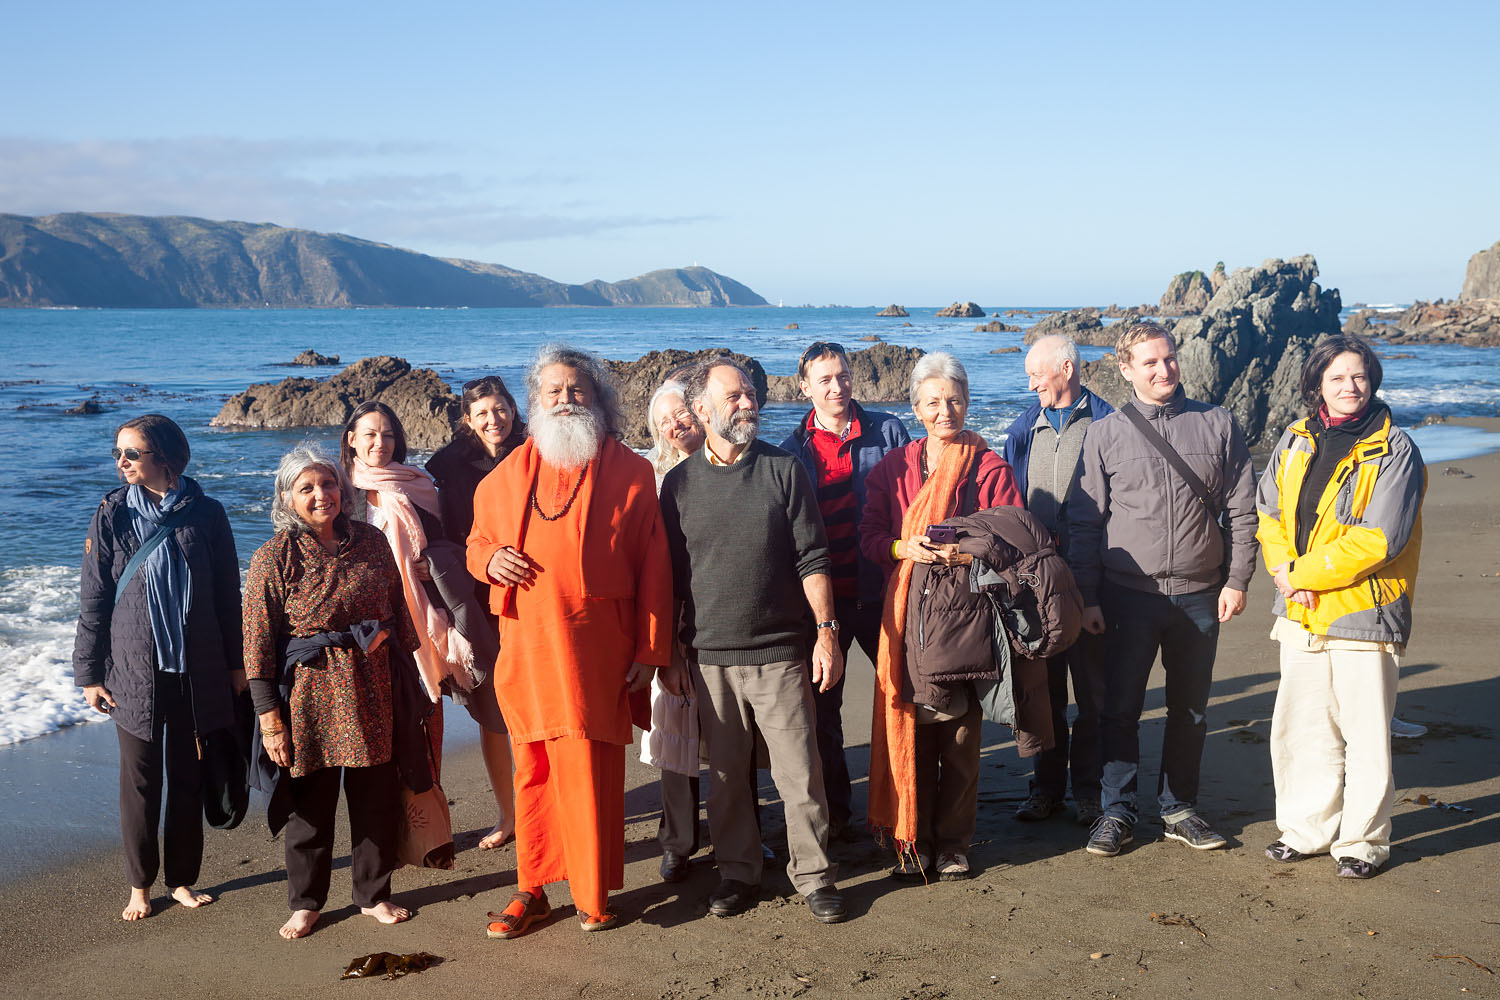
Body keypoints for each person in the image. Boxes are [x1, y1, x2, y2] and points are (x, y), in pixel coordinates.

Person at [467, 344, 673, 936]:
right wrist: (490, 561)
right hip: (528, 646)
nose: (566, 399)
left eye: (577, 389)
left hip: (597, 649)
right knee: (531, 767)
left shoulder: (634, 472)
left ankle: (591, 892)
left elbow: (655, 568)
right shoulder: (504, 476)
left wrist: (650, 651)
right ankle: (531, 888)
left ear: (598, 399)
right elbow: (476, 543)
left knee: (588, 768)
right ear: (536, 403)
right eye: (553, 391)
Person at [659, 358, 850, 924]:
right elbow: (671, 578)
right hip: (708, 659)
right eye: (734, 396)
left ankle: (814, 876)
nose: (748, 403)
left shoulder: (783, 469)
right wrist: (670, 652)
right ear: (700, 409)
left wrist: (827, 633)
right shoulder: (678, 485)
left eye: (750, 394)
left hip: (780, 653)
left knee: (800, 775)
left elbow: (813, 556)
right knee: (725, 782)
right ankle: (738, 873)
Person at [1067, 321, 1258, 857]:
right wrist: (1089, 597)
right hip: (1127, 595)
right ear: (1126, 369)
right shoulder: (1105, 434)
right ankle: (1117, 811)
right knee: (1119, 710)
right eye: (1149, 362)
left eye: (1169, 358)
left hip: (1202, 593)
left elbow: (1244, 510)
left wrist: (1238, 579)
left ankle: (1179, 808)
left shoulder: (1217, 422)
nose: (1163, 369)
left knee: (1190, 710)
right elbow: (1084, 522)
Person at [1256, 335, 1425, 879]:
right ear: (1317, 386)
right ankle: (1307, 831)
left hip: (1364, 613)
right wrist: (1285, 572)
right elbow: (1268, 513)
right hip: (1300, 610)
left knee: (1367, 734)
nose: (1350, 386)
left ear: (1372, 381)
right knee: (1304, 727)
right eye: (1337, 377)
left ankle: (1362, 843)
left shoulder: (1395, 449)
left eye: (1359, 376)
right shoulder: (1295, 438)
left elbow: (1380, 539)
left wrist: (1301, 575)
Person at [74, 414, 246, 921]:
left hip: (196, 671)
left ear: (166, 457)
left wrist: (236, 665)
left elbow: (227, 596)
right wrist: (88, 675)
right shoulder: (112, 514)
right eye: (118, 453)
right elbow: (94, 597)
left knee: (188, 778)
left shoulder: (207, 513)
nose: (122, 462)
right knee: (140, 785)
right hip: (132, 673)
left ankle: (182, 880)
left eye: (132, 453)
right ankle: (139, 886)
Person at [243, 447, 420, 939]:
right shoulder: (274, 556)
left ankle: (373, 894)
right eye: (307, 488)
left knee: (376, 798)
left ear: (342, 488)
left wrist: (400, 653)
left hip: (372, 686)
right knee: (309, 807)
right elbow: (257, 644)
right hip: (308, 698)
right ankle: (306, 903)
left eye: (329, 484)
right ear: (287, 498)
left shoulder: (371, 541)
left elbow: (398, 610)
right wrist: (269, 721)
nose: (322, 495)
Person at [861, 352, 1023, 880]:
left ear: (968, 402)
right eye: (932, 402)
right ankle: (914, 841)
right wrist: (901, 549)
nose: (944, 411)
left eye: (954, 400)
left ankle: (953, 844)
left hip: (967, 618)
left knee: (958, 737)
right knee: (912, 727)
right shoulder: (894, 468)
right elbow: (870, 538)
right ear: (915, 409)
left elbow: (1012, 540)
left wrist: (963, 554)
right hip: (907, 620)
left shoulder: (990, 467)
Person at [780, 341, 911, 840]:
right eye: (825, 380)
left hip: (882, 595)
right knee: (822, 714)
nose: (838, 387)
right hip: (824, 606)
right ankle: (838, 816)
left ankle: (900, 812)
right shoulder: (791, 451)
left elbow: (912, 503)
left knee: (900, 702)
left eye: (844, 375)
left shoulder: (888, 431)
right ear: (805, 388)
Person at [1001, 334, 1114, 826]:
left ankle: (1088, 792)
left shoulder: (1109, 423)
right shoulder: (1024, 429)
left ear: (1066, 368)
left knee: (1093, 695)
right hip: (1037, 587)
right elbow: (1008, 498)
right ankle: (1045, 789)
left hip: (1092, 582)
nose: (1031, 384)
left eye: (1036, 374)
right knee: (1044, 693)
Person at [344, 401, 480, 775]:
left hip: (417, 619)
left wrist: (433, 563)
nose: (380, 443)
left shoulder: (418, 485)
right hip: (366, 626)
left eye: (388, 435)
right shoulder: (338, 490)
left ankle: (428, 805)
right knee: (374, 729)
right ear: (352, 439)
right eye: (370, 434)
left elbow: (452, 540)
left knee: (423, 719)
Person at [426, 376, 527, 850]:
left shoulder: (534, 451)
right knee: (491, 714)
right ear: (467, 419)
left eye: (500, 408)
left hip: (530, 592)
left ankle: (541, 806)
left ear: (513, 408)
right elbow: (435, 531)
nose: (493, 419)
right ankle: (508, 815)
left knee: (533, 706)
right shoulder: (447, 466)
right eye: (482, 412)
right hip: (475, 599)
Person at [646, 378, 710, 883]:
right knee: (674, 732)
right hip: (671, 618)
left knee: (735, 736)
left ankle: (740, 832)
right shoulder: (651, 478)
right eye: (663, 420)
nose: (674, 424)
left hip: (723, 620)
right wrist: (663, 645)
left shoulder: (737, 461)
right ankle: (678, 843)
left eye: (681, 411)